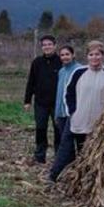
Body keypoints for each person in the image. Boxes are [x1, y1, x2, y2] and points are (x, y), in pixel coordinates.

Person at [65, 41, 104, 155]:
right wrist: (72, 111)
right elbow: (69, 93)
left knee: (97, 153)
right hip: (80, 120)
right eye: (91, 55)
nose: (94, 57)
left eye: (97, 54)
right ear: (87, 56)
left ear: (102, 55)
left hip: (100, 122)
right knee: (82, 152)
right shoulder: (79, 72)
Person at [24, 34, 63, 163]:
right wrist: (27, 100)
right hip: (40, 102)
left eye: (49, 44)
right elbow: (31, 82)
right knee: (40, 128)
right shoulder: (37, 62)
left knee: (58, 129)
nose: (47, 47)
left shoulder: (61, 61)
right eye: (44, 45)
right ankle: (40, 155)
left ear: (55, 46)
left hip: (58, 103)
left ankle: (59, 155)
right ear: (41, 47)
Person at [47, 45, 79, 182]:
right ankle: (70, 172)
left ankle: (54, 174)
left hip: (72, 113)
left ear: (73, 55)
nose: (65, 57)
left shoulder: (79, 70)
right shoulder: (61, 71)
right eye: (62, 55)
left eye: (67, 54)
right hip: (60, 113)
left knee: (65, 144)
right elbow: (60, 94)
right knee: (67, 146)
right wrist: (57, 113)